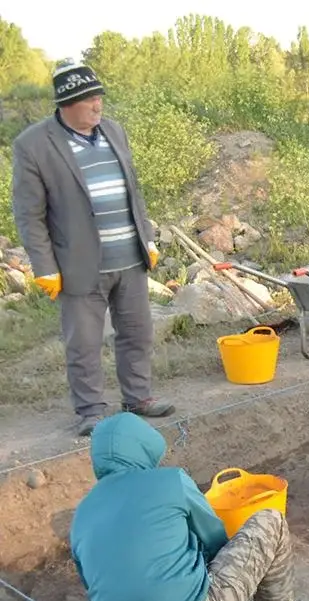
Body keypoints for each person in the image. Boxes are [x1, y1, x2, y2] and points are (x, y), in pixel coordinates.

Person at [70, 413, 309, 601]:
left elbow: (94, 582)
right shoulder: (170, 480)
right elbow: (214, 541)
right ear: (144, 447)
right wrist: (238, 598)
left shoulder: (82, 513)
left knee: (155, 570)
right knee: (270, 521)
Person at [10, 61, 174, 438]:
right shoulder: (33, 145)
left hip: (129, 258)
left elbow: (132, 190)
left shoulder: (113, 131)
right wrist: (44, 266)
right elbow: (29, 214)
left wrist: (147, 236)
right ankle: (90, 412)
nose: (98, 105)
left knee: (137, 333)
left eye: (99, 97)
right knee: (83, 343)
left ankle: (138, 398)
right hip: (79, 265)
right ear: (66, 104)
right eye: (89, 100)